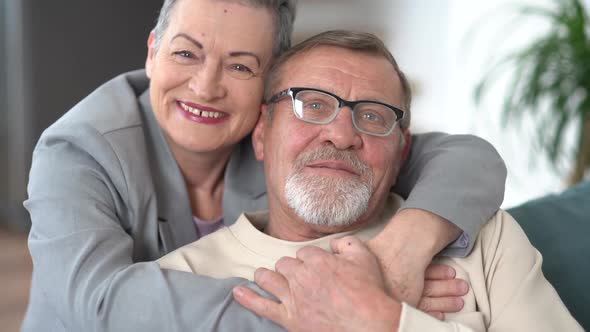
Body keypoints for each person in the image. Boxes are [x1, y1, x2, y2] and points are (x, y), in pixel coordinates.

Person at [23, 0, 505, 331]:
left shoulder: (284, 136)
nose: (205, 86)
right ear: (152, 51)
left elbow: (466, 159)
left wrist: (401, 254)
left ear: (272, 78)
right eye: (186, 53)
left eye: (240, 66)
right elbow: (103, 306)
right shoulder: (76, 150)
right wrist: (354, 309)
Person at [158, 30, 583, 331]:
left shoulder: (485, 240)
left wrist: (385, 323)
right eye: (314, 105)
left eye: (373, 116)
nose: (342, 135)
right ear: (263, 131)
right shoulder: (178, 281)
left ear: (402, 151)